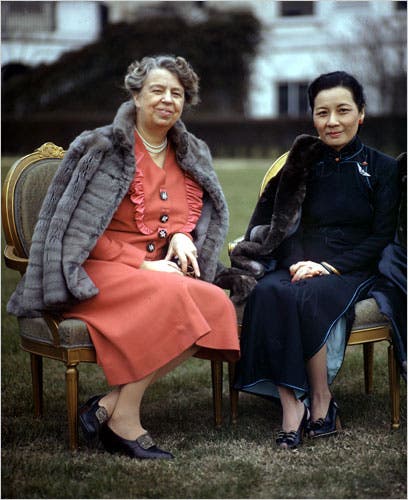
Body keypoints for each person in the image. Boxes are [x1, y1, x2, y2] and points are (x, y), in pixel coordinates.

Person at [7, 55, 240, 460]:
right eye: (157, 90)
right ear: (136, 94)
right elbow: (73, 228)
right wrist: (142, 264)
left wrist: (184, 234)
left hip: (159, 271)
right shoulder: (99, 146)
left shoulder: (190, 152)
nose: (167, 100)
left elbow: (190, 213)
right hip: (97, 269)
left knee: (217, 304)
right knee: (176, 295)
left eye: (177, 93)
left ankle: (107, 406)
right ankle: (126, 420)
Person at [225, 71, 400, 449]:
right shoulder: (301, 162)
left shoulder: (384, 169)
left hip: (353, 266)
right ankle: (292, 406)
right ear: (313, 116)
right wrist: (298, 261)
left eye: (342, 110)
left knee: (306, 295)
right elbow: (283, 224)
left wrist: (328, 267)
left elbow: (381, 237)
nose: (332, 121)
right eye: (322, 113)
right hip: (299, 259)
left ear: (361, 113)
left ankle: (321, 400)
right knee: (267, 290)